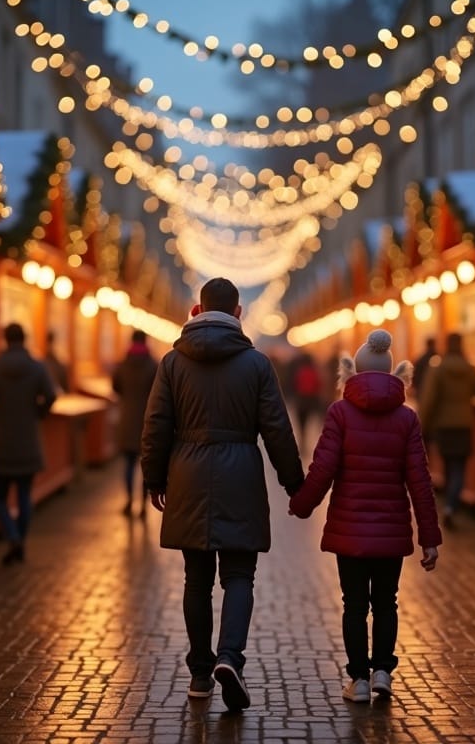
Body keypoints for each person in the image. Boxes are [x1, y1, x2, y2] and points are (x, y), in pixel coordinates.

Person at [140, 277, 305, 712]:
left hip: (188, 475)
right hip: (241, 476)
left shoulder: (173, 363)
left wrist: (154, 478)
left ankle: (199, 672)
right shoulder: (256, 364)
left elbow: (156, 424)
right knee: (238, 576)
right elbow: (276, 428)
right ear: (238, 313)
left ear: (196, 310)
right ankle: (230, 658)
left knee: (196, 579)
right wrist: (295, 484)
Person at [288, 329, 442, 704]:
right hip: (391, 530)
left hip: (350, 528)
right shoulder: (406, 418)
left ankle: (358, 679)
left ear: (353, 372)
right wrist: (430, 537)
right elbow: (419, 479)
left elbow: (323, 468)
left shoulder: (340, 412)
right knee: (386, 602)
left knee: (354, 604)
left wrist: (301, 504)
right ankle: (383, 673)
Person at [0, 323, 57, 565]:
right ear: (25, 339)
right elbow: (50, 396)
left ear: (5, 340)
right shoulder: (37, 367)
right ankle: (21, 540)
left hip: (1, 440)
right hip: (28, 439)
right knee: (24, 496)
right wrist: (37, 413)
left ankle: (12, 536)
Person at [418, 332, 475, 528]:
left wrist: (423, 424)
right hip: (464, 424)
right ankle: (451, 506)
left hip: (444, 425)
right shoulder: (470, 368)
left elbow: (429, 399)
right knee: (459, 468)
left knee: (447, 466)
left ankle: (448, 506)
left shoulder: (438, 370)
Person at [111, 329, 158, 517]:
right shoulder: (153, 366)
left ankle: (129, 501)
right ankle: (144, 506)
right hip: (148, 421)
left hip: (127, 419)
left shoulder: (122, 365)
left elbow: (115, 388)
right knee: (146, 465)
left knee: (128, 464)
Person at [290, 351, 323, 451]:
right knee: (308, 421)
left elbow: (294, 385)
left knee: (301, 422)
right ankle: (304, 439)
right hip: (310, 401)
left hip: (301, 401)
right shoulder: (314, 371)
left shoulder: (300, 371)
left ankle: (302, 439)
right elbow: (318, 385)